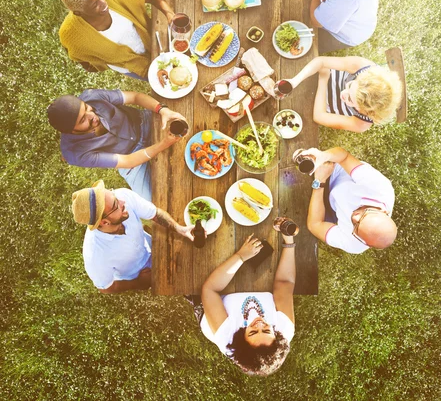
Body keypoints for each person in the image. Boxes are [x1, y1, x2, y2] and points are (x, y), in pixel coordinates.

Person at [47, 88, 186, 201]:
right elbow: (127, 161)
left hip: (142, 122)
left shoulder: (91, 96)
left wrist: (162, 110)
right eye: (83, 119)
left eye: (87, 108)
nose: (92, 116)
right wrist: (164, 144)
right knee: (155, 201)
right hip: (129, 158)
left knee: (184, 119)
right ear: (71, 131)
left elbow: (135, 97)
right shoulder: (74, 153)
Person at [197, 224, 296, 376]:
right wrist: (289, 241)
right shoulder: (285, 329)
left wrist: (241, 256)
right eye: (267, 330)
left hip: (213, 303)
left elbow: (210, 290)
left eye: (253, 332)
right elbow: (285, 282)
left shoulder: (227, 335)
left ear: (241, 339)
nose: (259, 323)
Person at [71, 179, 194, 293]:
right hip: (141, 272)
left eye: (114, 195)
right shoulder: (95, 256)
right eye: (116, 204)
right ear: (104, 222)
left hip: (150, 244)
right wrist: (138, 282)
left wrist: (179, 229)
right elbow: (106, 288)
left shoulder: (123, 196)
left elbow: (155, 213)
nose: (122, 201)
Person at [59, 0, 175, 80]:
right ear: (78, 13)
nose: (103, 3)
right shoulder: (71, 34)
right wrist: (94, 64)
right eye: (95, 5)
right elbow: (78, 56)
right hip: (132, 66)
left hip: (153, 41)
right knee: (166, 85)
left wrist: (170, 15)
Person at [304, 146, 397, 254]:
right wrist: (322, 157)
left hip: (330, 204)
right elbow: (344, 157)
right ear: (383, 212)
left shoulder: (355, 245)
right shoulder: (379, 187)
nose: (354, 216)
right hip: (333, 172)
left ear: (366, 243)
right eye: (364, 215)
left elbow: (314, 225)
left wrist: (319, 182)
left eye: (356, 228)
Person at [288, 56, 403, 133]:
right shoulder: (363, 66)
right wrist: (294, 81)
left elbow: (319, 116)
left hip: (316, 104)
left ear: (366, 111)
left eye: (350, 100)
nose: (343, 93)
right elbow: (320, 61)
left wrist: (323, 78)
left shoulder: (361, 124)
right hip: (311, 74)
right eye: (350, 85)